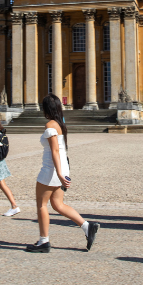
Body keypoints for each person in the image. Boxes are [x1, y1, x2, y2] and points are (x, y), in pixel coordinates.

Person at [26, 93, 99, 253]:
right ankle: (87, 226)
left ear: (46, 109)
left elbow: (55, 150)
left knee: (42, 205)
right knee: (58, 205)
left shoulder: (50, 125)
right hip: (61, 167)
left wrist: (58, 173)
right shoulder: (61, 123)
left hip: (51, 169)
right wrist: (61, 172)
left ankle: (44, 241)